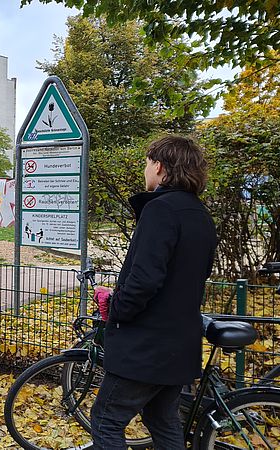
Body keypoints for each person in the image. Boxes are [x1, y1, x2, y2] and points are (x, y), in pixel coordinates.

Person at [90, 135, 217, 448]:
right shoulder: (201, 216)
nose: (145, 169)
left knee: (106, 421)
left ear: (160, 167)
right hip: (180, 345)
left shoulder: (160, 211)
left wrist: (115, 306)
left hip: (146, 347)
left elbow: (144, 280)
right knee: (162, 422)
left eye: (147, 163)